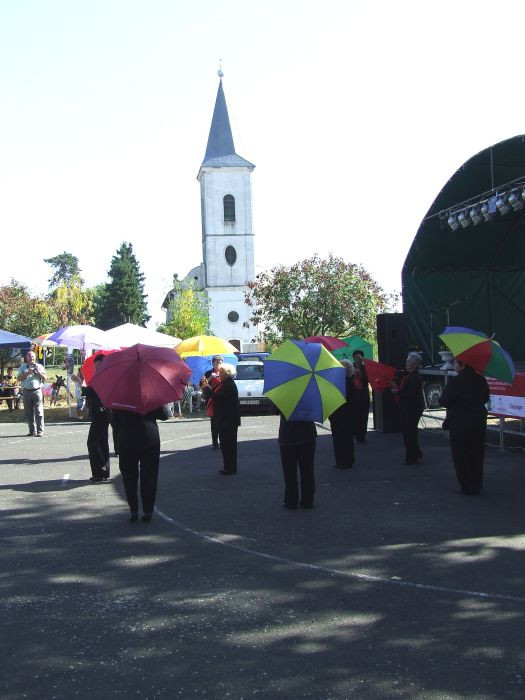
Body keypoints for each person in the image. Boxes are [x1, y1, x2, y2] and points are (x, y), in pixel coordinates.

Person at [112, 404, 172, 522]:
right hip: (149, 436)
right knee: (149, 475)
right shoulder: (151, 395)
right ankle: (148, 510)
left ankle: (133, 510)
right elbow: (164, 415)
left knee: (129, 476)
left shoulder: (120, 397)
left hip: (127, 437)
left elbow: (115, 420)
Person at [439, 359, 490, 495]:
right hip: (478, 421)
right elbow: (485, 398)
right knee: (477, 453)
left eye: (456, 363)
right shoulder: (481, 380)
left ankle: (466, 485)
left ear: (463, 365)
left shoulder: (456, 381)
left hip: (459, 422)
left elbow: (443, 400)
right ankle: (477, 483)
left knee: (461, 454)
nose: (454, 366)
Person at [201, 364, 240, 474]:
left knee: (228, 445)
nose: (219, 374)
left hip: (228, 419)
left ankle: (229, 467)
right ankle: (229, 466)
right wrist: (207, 386)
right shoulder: (224, 383)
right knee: (227, 444)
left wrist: (208, 388)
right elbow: (213, 393)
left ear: (227, 374)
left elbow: (217, 397)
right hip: (226, 418)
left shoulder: (228, 385)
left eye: (221, 372)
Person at [390, 352, 424, 465]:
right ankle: (415, 454)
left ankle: (412, 457)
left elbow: (411, 394)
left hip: (412, 408)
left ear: (415, 363)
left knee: (410, 432)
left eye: (409, 361)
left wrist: (397, 392)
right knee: (409, 432)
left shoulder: (415, 377)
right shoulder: (409, 376)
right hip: (408, 407)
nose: (406, 363)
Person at [82, 355, 111, 482]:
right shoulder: (99, 376)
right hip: (99, 412)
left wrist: (78, 381)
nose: (97, 366)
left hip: (102, 412)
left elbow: (91, 391)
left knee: (93, 442)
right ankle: (102, 472)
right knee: (101, 441)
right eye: (96, 364)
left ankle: (100, 472)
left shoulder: (105, 376)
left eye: (99, 363)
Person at [278, 415, 317, 509]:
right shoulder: (309, 399)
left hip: (287, 436)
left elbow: (273, 409)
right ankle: (308, 500)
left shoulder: (284, 399)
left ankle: (291, 501)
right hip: (307, 435)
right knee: (307, 470)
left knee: (289, 471)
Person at [329, 359, 355, 469]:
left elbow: (350, 399)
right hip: (336, 414)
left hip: (345, 414)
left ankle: (347, 461)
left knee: (345, 438)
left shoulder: (349, 382)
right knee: (337, 437)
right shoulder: (337, 382)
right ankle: (340, 460)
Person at [17, 350, 47, 436]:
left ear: (35, 357)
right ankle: (32, 431)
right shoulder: (23, 367)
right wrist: (27, 373)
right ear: (26, 358)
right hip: (26, 391)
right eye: (29, 356)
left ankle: (40, 431)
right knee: (28, 412)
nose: (31, 358)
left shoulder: (40, 366)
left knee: (39, 411)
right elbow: (18, 378)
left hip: (37, 391)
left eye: (33, 356)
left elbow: (45, 378)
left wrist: (38, 372)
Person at [200, 355, 223, 448]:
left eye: (220, 362)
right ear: (213, 363)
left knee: (222, 422)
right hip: (211, 401)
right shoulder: (208, 372)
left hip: (221, 400)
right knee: (213, 423)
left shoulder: (224, 372)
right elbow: (201, 385)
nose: (218, 364)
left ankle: (223, 441)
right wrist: (210, 378)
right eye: (217, 362)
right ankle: (214, 443)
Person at [352, 350, 370, 443]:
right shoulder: (350, 367)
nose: (357, 358)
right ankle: (355, 433)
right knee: (355, 416)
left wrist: (361, 375)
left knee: (363, 417)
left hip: (363, 396)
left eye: (359, 357)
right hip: (353, 396)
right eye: (356, 357)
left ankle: (362, 436)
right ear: (353, 358)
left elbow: (369, 379)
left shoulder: (366, 367)